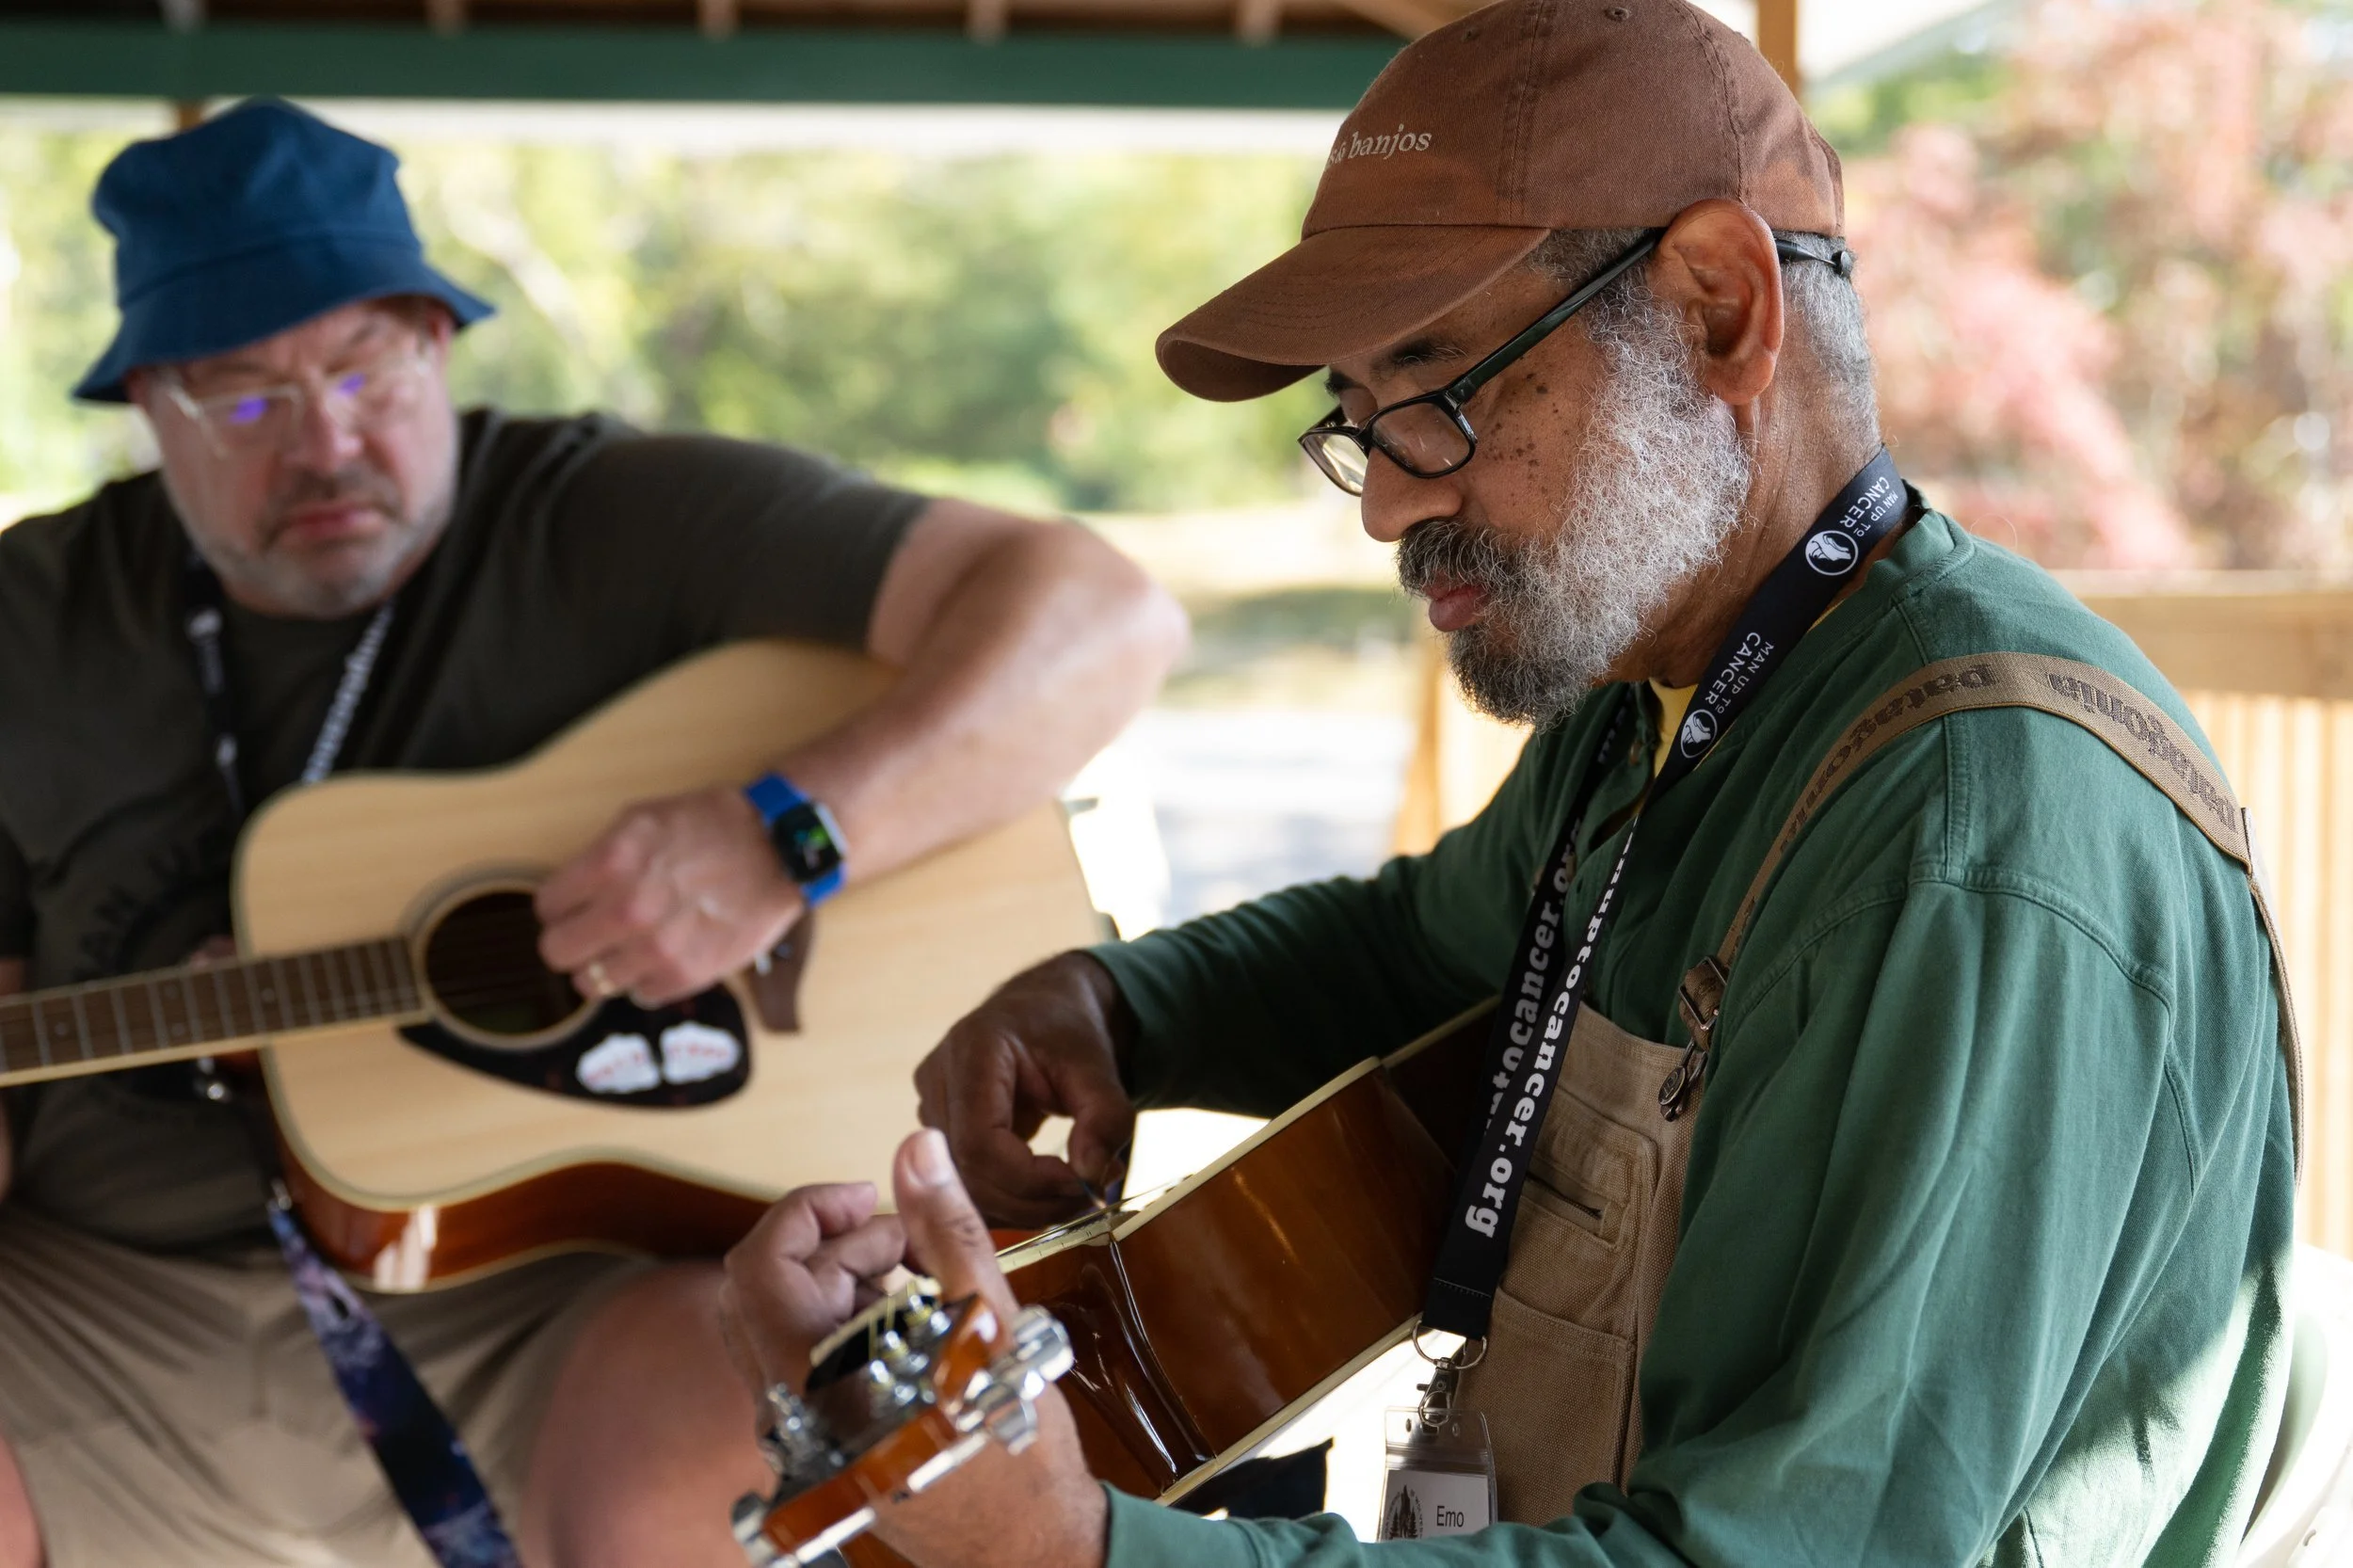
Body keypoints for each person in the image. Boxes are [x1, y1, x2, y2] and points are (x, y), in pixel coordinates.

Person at [720, 1, 2300, 1563]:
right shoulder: (1662, 704)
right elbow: (1417, 950)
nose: (1387, 507)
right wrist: (1117, 1008)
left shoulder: (1966, 827)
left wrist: (1076, 1552)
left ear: (1719, 311)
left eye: (1438, 394)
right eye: (1357, 423)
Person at [0, 99, 1186, 1568]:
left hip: (566, 1304)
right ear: (148, 406)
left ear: (437, 338)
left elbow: (1104, 618)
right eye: (243, 402)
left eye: (366, 365)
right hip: (97, 1311)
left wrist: (787, 833)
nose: (326, 442)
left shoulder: (608, 516)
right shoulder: (34, 618)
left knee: (816, 1445)